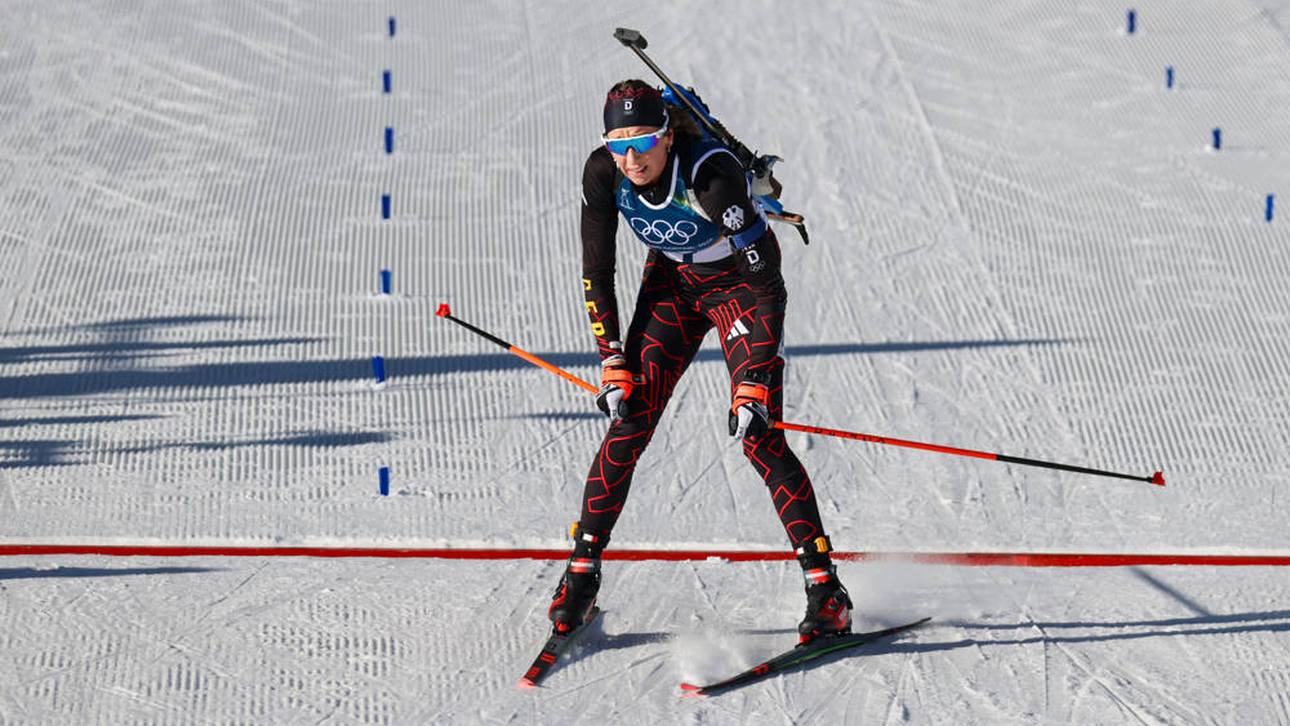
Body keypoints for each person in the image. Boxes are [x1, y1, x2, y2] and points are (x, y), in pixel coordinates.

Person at [547, 80, 852, 643]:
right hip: (671, 285)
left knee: (760, 436)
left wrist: (754, 382)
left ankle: (825, 589)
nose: (631, 156)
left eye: (642, 140)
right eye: (618, 143)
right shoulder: (603, 172)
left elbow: (768, 286)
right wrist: (611, 356)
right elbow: (596, 270)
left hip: (739, 288)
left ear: (666, 135)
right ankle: (581, 580)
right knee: (630, 420)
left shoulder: (710, 176)